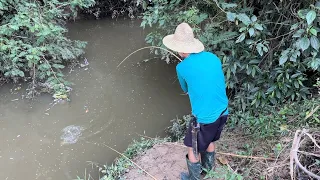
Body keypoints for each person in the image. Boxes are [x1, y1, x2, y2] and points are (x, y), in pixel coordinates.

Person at [162, 22, 229, 180]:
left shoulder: (181, 67)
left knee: (192, 147)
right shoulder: (213, 58)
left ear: (180, 48)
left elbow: (185, 89)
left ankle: (194, 178)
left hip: (205, 118)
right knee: (210, 139)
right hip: (223, 111)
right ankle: (209, 169)